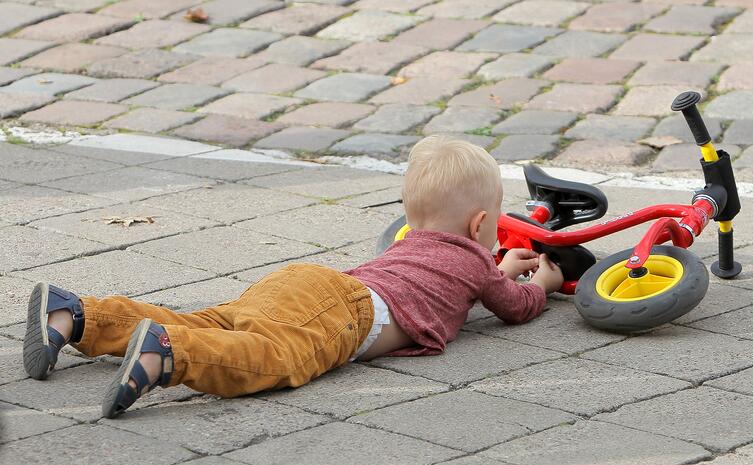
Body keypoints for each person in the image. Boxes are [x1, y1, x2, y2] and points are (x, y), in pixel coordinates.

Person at [22, 136, 564, 419]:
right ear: (480, 225)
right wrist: (536, 283)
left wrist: (497, 268)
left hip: (309, 283)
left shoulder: (414, 243)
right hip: (347, 314)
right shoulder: (473, 260)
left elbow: (450, 273)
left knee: (218, 321)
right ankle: (167, 355)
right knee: (273, 359)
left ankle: (74, 316)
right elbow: (512, 307)